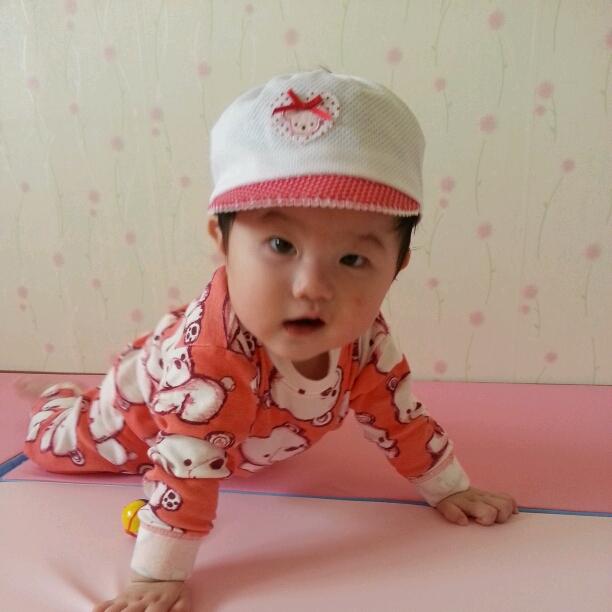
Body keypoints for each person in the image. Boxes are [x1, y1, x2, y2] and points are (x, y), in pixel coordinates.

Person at [23, 69, 518, 611]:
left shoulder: (366, 342)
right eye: (281, 245)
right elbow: (187, 469)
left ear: (397, 265)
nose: (312, 287)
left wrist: (451, 488)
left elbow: (400, 418)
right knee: (52, 444)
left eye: (353, 259)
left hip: (239, 439)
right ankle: (59, 402)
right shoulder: (208, 363)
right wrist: (156, 577)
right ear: (221, 241)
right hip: (135, 421)